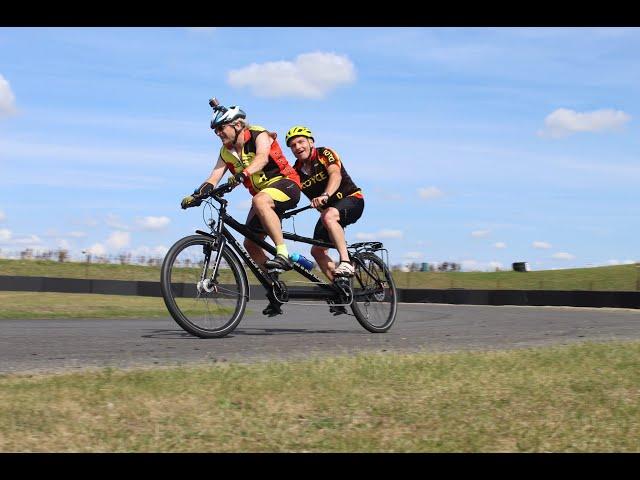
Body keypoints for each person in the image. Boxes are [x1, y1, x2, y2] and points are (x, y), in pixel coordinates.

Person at [181, 101, 302, 276]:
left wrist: (243, 174)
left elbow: (262, 158)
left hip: (286, 184)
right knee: (250, 244)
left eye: (221, 128)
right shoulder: (225, 152)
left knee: (259, 200)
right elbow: (214, 177)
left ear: (237, 125)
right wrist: (197, 195)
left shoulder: (257, 134)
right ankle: (275, 288)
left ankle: (282, 253)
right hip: (263, 196)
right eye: (215, 131)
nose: (218, 134)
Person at [285, 125, 364, 282]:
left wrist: (325, 195)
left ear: (311, 142)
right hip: (329, 213)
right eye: (293, 145)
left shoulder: (324, 153)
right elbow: (289, 191)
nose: (297, 147)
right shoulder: (295, 171)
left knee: (328, 216)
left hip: (352, 199)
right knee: (317, 251)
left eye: (301, 142)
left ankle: (346, 262)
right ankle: (340, 290)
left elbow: (335, 174)